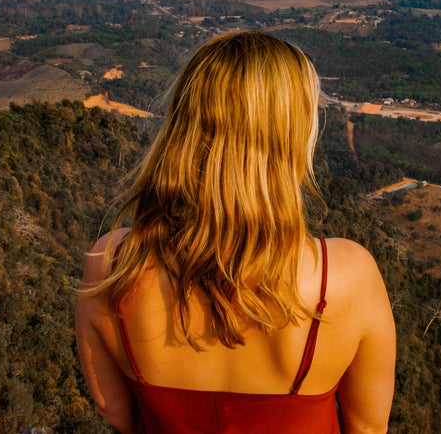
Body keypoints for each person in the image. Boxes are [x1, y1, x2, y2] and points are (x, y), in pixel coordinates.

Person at [75, 31, 396, 433]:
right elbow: (367, 428)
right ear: (291, 135)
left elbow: (115, 412)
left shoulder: (111, 264)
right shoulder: (346, 277)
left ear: (183, 126)